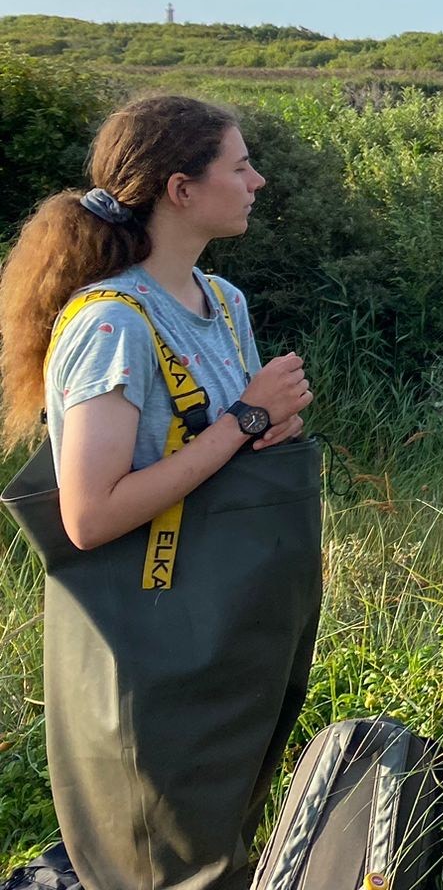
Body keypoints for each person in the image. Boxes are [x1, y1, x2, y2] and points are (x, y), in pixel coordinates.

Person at [0, 94, 321, 890]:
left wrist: (264, 429)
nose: (259, 180)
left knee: (218, 847)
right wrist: (247, 417)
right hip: (153, 647)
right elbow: (88, 515)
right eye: (239, 165)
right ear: (181, 190)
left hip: (229, 631)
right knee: (164, 861)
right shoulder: (111, 324)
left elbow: (218, 450)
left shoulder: (222, 302)